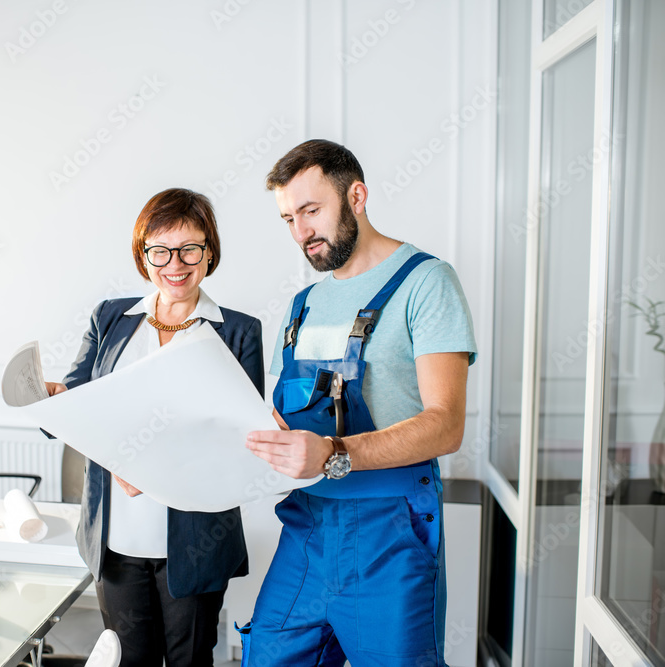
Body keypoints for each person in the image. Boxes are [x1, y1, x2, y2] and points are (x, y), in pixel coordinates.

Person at [240, 140, 477, 667]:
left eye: (311, 210)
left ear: (357, 195)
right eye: (288, 219)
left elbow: (446, 425)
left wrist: (330, 452)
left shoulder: (426, 283)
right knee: (269, 655)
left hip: (389, 532)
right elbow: (282, 419)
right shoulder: (303, 306)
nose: (302, 232)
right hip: (308, 525)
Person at [46, 188, 264, 667]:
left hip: (196, 540)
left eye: (190, 248)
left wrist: (150, 464)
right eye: (160, 250)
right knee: (128, 659)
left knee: (188, 661)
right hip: (116, 538)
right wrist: (51, 400)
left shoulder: (238, 331)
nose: (175, 263)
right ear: (143, 255)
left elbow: (239, 442)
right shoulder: (110, 318)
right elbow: (81, 403)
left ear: (210, 252)